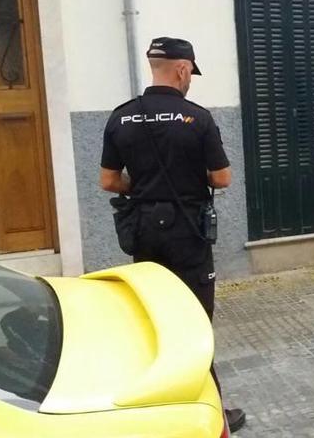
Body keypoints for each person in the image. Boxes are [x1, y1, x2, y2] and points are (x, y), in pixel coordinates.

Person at [99, 37, 245, 432]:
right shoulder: (196, 118)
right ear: (182, 69)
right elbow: (222, 177)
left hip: (144, 231)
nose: (190, 81)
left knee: (155, 317)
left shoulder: (121, 117)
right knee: (197, 323)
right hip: (188, 233)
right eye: (190, 74)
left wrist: (143, 188)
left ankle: (160, 409)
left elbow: (109, 181)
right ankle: (210, 411)